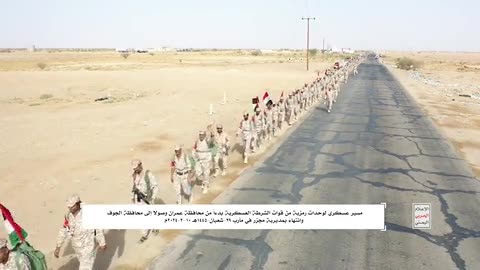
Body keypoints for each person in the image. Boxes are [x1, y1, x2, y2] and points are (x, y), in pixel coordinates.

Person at [54, 195, 106, 270]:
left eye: (72, 206)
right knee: (85, 265)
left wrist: (102, 242)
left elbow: (98, 228)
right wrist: (58, 246)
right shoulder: (68, 215)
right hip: (77, 247)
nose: (70, 209)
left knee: (85, 267)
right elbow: (64, 230)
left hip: (88, 246)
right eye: (69, 207)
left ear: (77, 204)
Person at [131, 159, 159, 243]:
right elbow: (134, 186)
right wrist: (132, 197)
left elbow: (155, 186)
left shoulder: (148, 174)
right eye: (134, 168)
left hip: (148, 199)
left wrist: (153, 197)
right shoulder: (134, 175)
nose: (135, 170)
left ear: (140, 165)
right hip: (138, 199)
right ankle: (144, 234)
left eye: (136, 168)